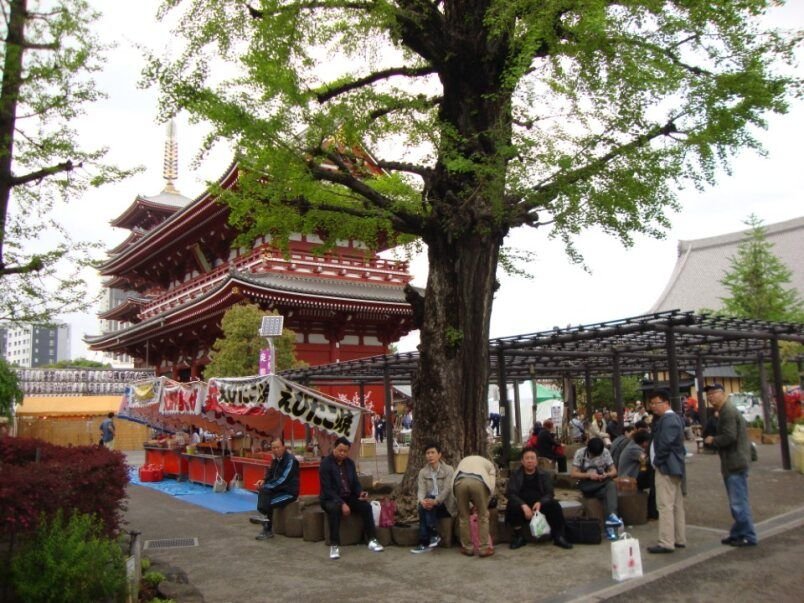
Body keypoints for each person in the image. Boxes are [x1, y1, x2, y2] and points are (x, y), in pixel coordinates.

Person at [703, 383, 758, 547]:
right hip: (734, 461)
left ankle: (748, 535)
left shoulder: (728, 412)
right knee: (738, 500)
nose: (711, 397)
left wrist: (713, 440)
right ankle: (738, 533)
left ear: (722, 393)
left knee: (738, 502)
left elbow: (729, 436)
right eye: (709, 394)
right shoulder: (726, 410)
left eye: (713, 393)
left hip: (735, 461)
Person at [319, 436, 384, 559]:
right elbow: (327, 489)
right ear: (334, 448)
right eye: (340, 450)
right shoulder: (325, 464)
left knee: (366, 507)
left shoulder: (349, 463)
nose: (342, 453)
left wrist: (360, 493)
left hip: (348, 496)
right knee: (334, 510)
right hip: (330, 498)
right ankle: (334, 544)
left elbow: (355, 483)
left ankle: (372, 539)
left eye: (345, 451)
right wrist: (341, 503)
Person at [506, 448, 573, 550]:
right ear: (522, 461)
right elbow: (511, 493)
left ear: (536, 461)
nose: (530, 461)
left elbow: (550, 493)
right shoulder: (516, 474)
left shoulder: (544, 474)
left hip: (539, 505)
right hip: (523, 506)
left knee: (554, 505)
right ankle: (519, 537)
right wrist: (523, 505)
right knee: (512, 505)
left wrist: (540, 502)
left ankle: (558, 537)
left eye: (532, 458)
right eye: (527, 458)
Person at [646, 389, 686, 553]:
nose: (653, 406)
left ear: (666, 403)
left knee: (665, 506)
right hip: (672, 467)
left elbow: (664, 445)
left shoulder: (669, 420)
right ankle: (678, 538)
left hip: (666, 468)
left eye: (656, 403)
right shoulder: (670, 419)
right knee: (676, 505)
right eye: (652, 403)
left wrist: (656, 461)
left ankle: (666, 541)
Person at [570, 437, 622, 540]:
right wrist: (588, 475)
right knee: (610, 493)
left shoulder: (605, 452)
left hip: (601, 483)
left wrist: (606, 475)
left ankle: (612, 523)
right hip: (587, 485)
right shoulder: (580, 453)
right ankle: (612, 526)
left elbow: (614, 471)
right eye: (594, 455)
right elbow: (573, 473)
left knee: (611, 487)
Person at [410, 441, 456, 554]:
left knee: (427, 504)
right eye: (427, 453)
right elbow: (421, 491)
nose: (430, 455)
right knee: (423, 507)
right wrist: (422, 501)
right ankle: (432, 536)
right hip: (431, 505)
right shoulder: (423, 472)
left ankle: (426, 541)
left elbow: (447, 490)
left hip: (445, 505)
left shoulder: (448, 470)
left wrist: (435, 501)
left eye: (432, 452)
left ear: (439, 454)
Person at [251, 438, 299, 540]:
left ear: (283, 447)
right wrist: (263, 481)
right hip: (279, 489)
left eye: (278, 447)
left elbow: (283, 479)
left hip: (289, 492)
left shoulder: (291, 460)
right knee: (263, 491)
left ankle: (266, 527)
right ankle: (263, 519)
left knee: (267, 502)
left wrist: (267, 486)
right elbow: (270, 473)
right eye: (273, 448)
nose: (276, 450)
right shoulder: (275, 460)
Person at [452, 455, 497, 557]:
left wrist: (471, 505)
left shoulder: (463, 460)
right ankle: (484, 548)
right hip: (478, 481)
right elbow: (491, 487)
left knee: (464, 517)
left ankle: (467, 548)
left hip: (460, 481)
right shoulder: (490, 466)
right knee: (483, 516)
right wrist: (484, 503)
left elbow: (454, 483)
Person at [617, 429, 657, 519]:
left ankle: (652, 510)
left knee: (654, 478)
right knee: (655, 479)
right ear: (643, 442)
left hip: (632, 475)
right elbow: (646, 460)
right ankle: (652, 511)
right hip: (628, 478)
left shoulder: (632, 445)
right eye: (647, 442)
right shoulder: (634, 449)